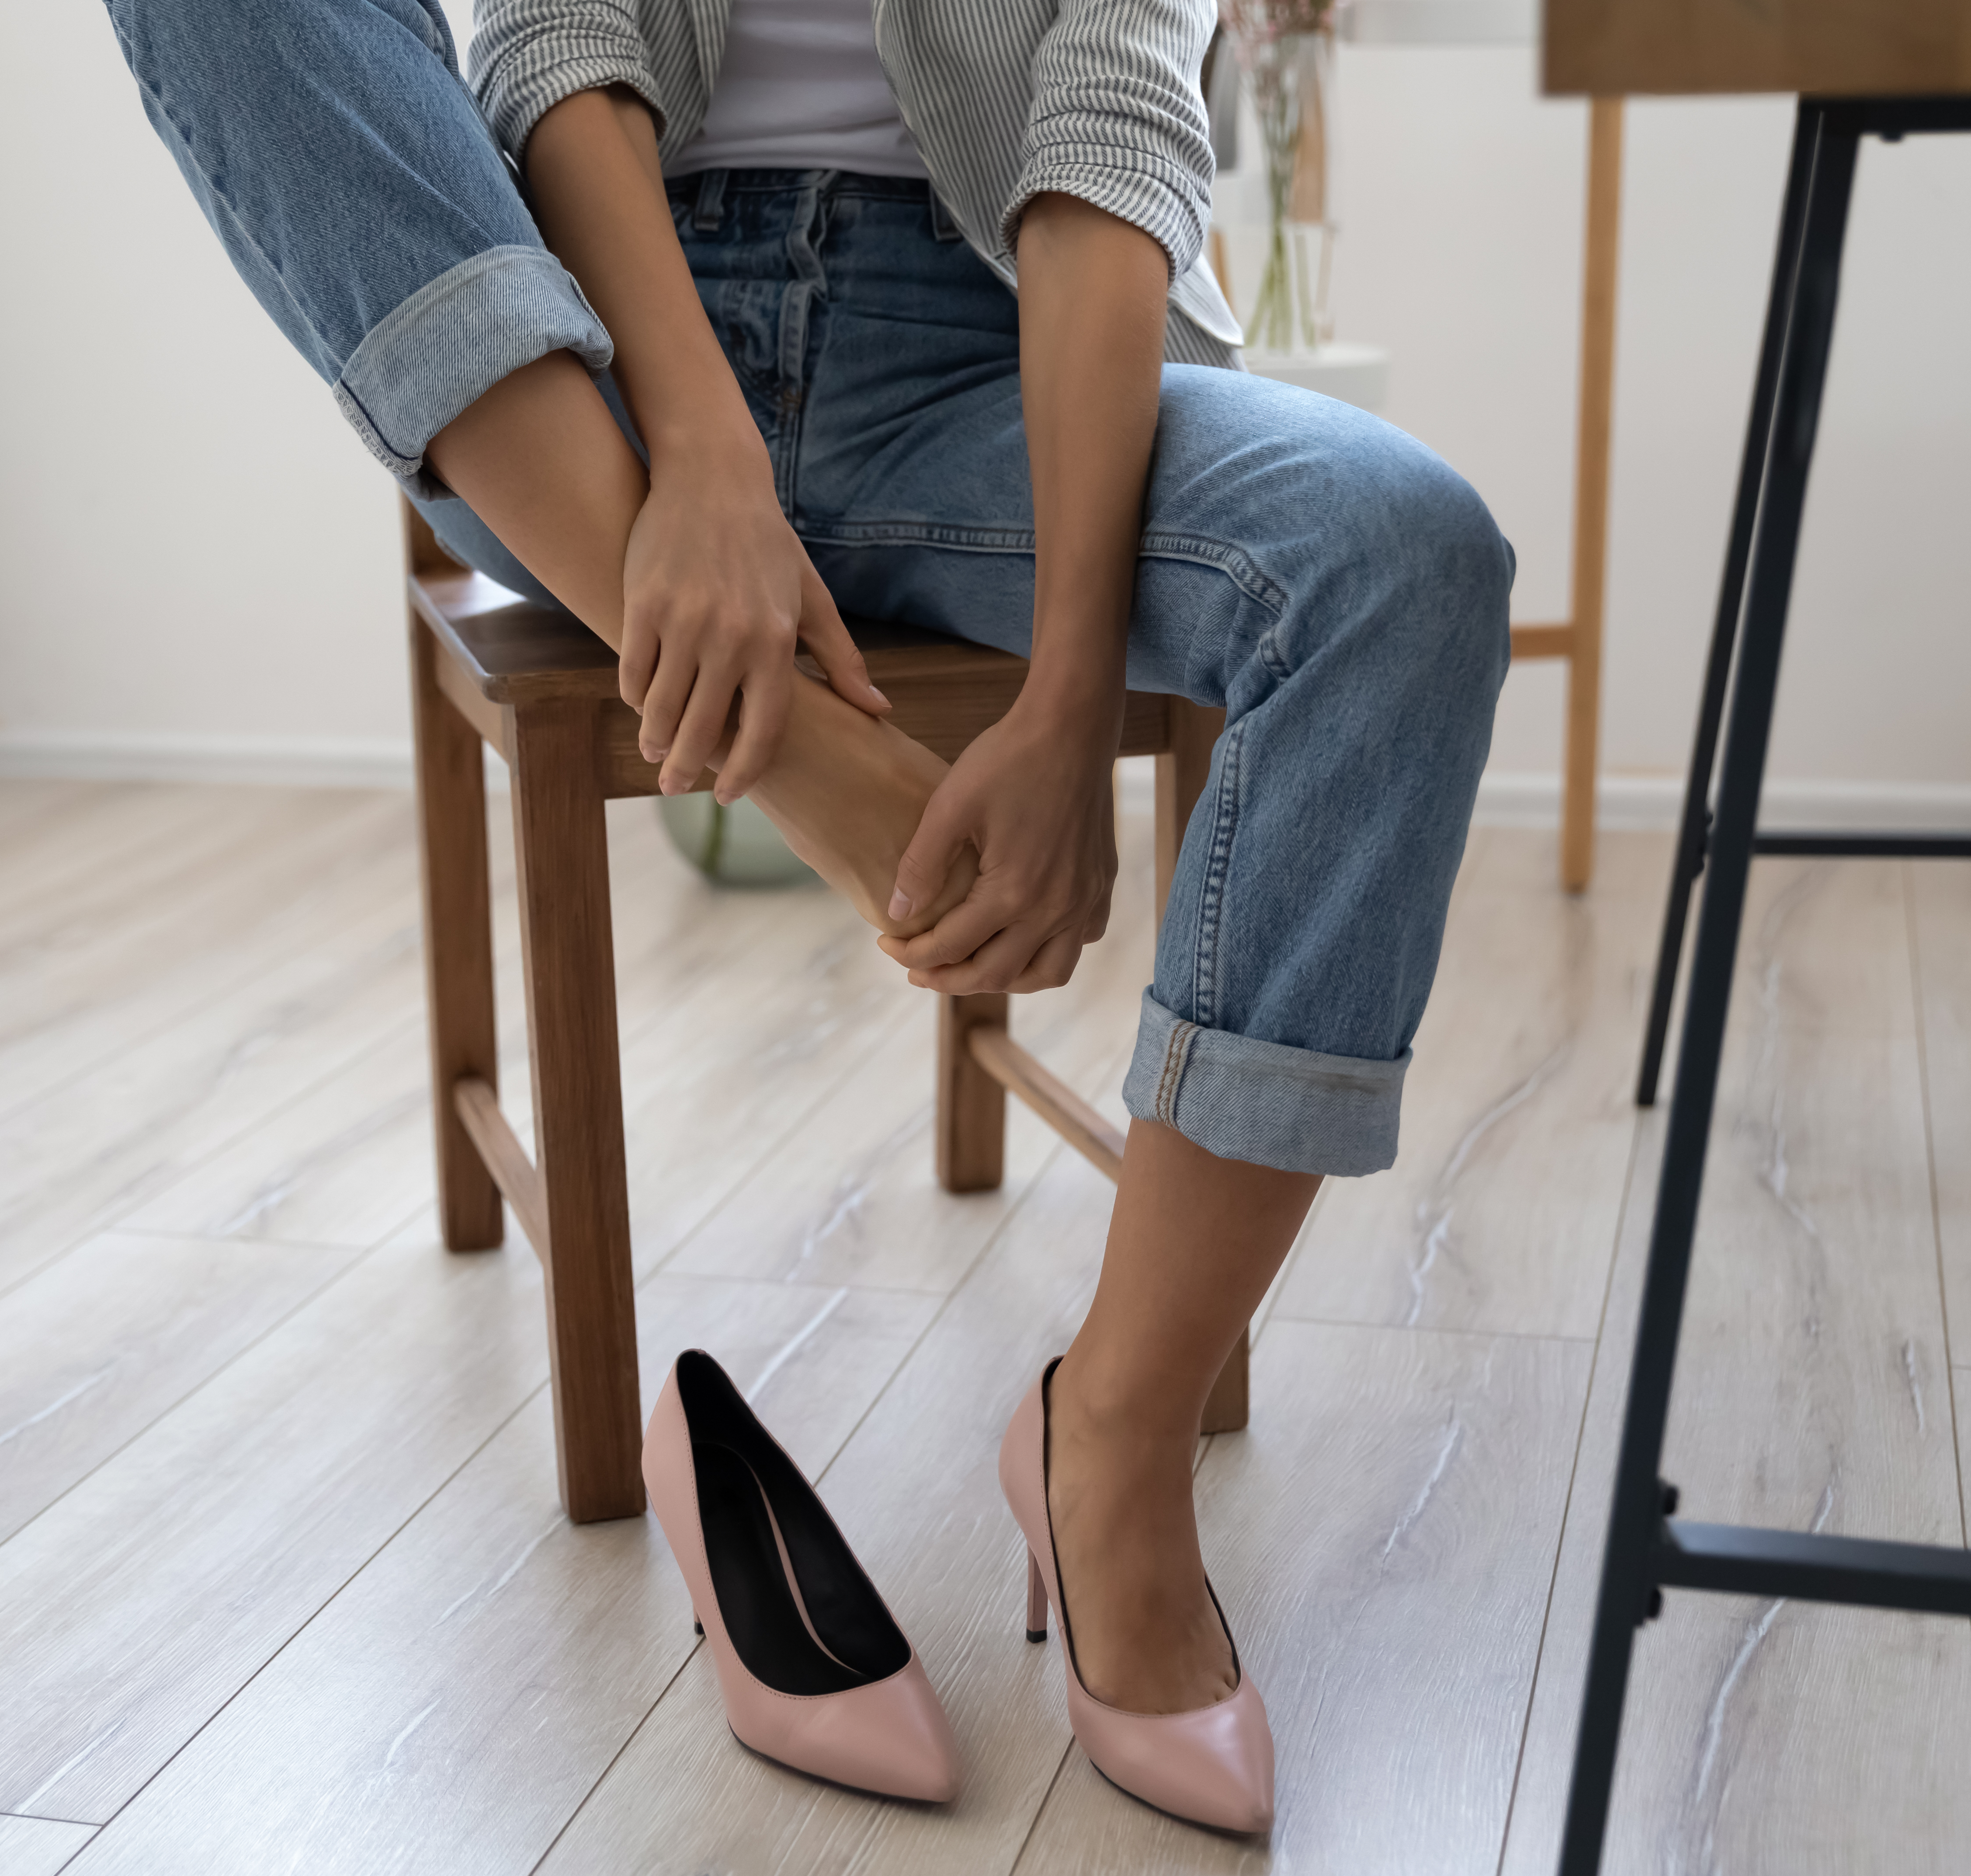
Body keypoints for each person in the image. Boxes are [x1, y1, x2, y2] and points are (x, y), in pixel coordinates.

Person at [104, 0, 1509, 1829]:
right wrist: (702, 462)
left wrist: (1070, 692)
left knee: (1408, 557)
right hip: (583, 377)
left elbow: (1105, 124)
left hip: (992, 373)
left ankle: (1112, 1443)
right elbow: (554, 42)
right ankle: (812, 774)